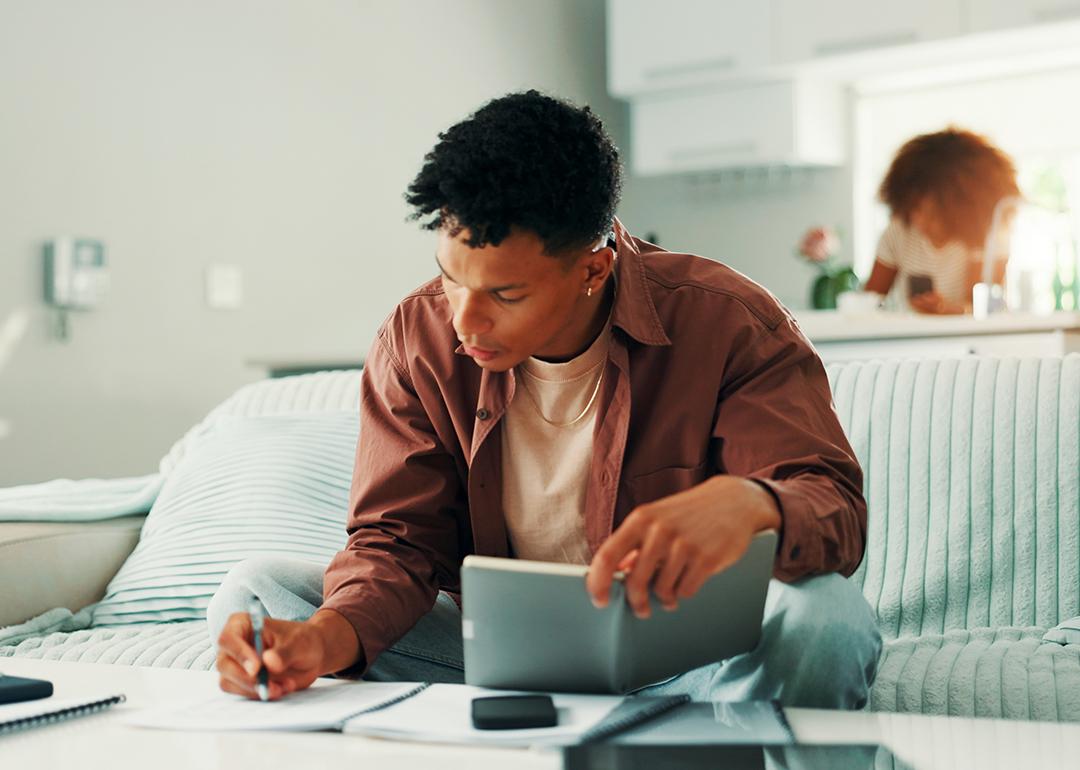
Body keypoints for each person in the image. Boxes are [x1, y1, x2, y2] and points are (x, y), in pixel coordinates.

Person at [210, 90, 881, 707]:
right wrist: (325, 640)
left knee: (827, 617)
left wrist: (754, 504)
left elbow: (837, 517)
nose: (466, 320)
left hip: (693, 663)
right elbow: (396, 544)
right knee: (260, 595)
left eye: (506, 294)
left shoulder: (726, 321)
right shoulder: (417, 337)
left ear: (594, 268)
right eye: (450, 279)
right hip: (494, 654)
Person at [863, 127, 1019, 314]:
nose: (920, 221)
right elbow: (868, 302)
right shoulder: (898, 231)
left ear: (961, 209)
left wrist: (947, 309)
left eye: (932, 214)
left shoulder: (990, 236)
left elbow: (986, 311)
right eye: (915, 209)